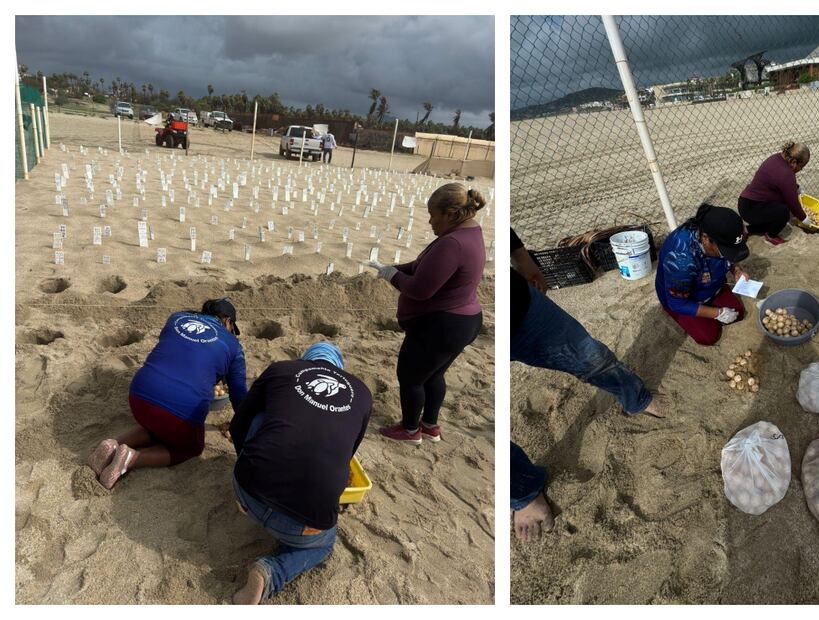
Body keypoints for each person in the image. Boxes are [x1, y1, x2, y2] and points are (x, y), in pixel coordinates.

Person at [510, 228, 669, 542]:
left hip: (521, 308)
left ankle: (636, 397)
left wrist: (521, 256)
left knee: (590, 355)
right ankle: (522, 493)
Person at [229, 342, 371, 604]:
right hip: (303, 524)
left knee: (263, 415)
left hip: (249, 492)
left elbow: (239, 423)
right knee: (324, 544)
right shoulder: (361, 392)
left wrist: (245, 466)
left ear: (305, 360)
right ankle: (271, 572)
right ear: (339, 369)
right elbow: (348, 453)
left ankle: (246, 495)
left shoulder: (282, 369)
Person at [86, 298, 247, 489]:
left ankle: (114, 444)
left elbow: (177, 351)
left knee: (160, 426)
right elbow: (239, 397)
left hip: (139, 397)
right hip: (179, 412)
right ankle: (132, 458)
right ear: (227, 321)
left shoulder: (177, 318)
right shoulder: (234, 346)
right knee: (191, 447)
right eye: (231, 327)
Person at [372, 183, 486, 444]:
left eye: (433, 215)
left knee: (410, 377)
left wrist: (393, 276)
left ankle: (410, 430)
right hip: (463, 321)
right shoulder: (470, 233)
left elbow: (421, 289)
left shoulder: (453, 243)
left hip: (441, 327)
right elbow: (423, 267)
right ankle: (430, 425)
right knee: (433, 374)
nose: (430, 221)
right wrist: (392, 268)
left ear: (450, 213)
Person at [656, 204, 750, 347]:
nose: (727, 255)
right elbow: (678, 303)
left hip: (711, 284)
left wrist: (737, 270)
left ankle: (711, 302)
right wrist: (718, 313)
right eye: (724, 250)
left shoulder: (730, 232)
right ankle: (675, 312)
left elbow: (732, 254)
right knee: (708, 336)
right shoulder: (681, 259)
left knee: (738, 313)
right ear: (705, 238)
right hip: (684, 296)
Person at [738, 141, 814, 245]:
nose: (800, 169)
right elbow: (793, 204)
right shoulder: (787, 173)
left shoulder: (777, 158)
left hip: (746, 203)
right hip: (753, 208)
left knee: (777, 212)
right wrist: (804, 219)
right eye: (801, 166)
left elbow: (779, 182)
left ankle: (748, 230)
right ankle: (771, 235)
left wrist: (797, 188)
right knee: (783, 212)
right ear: (794, 162)